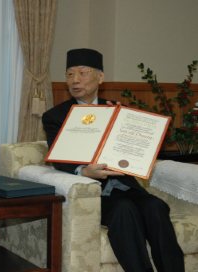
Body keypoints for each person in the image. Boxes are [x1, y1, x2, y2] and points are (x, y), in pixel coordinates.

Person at [42, 48, 184, 272]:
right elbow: (59, 159)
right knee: (123, 210)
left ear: (100, 77)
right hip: (93, 189)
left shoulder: (117, 109)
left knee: (156, 206)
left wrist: (127, 124)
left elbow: (146, 146)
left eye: (82, 73)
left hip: (125, 185)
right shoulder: (55, 116)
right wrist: (85, 171)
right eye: (69, 74)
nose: (75, 80)